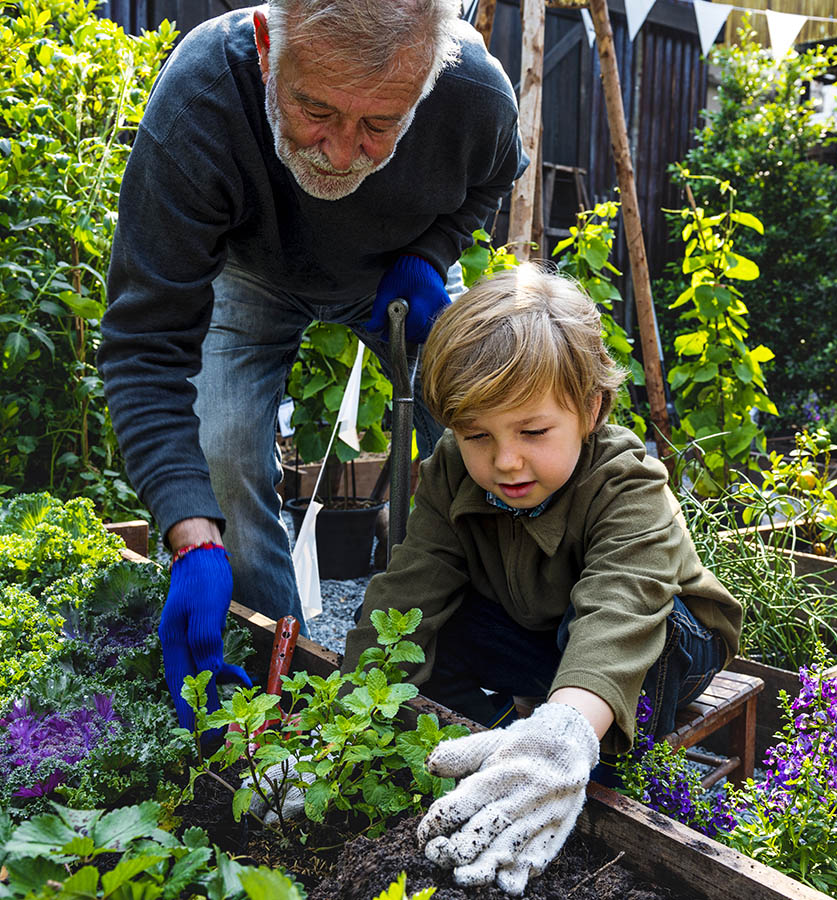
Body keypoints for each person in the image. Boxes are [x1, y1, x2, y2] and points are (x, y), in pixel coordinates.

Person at [97, 0, 526, 727]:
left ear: (427, 80)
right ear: (268, 47)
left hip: (395, 273)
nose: (337, 151)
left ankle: (504, 649)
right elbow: (146, 343)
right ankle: (278, 683)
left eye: (379, 126)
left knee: (492, 427)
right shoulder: (203, 97)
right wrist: (191, 535)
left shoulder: (473, 94)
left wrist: (429, 256)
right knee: (223, 464)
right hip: (250, 274)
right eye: (314, 109)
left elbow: (490, 180)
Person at [340, 263, 743, 895]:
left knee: (648, 636)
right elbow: (409, 589)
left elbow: (620, 607)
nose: (504, 460)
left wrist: (567, 734)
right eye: (477, 435)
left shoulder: (627, 483)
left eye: (532, 431)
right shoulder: (453, 472)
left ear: (588, 409)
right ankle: (500, 742)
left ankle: (589, 764)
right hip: (537, 629)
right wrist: (343, 729)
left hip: (660, 638)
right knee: (429, 628)